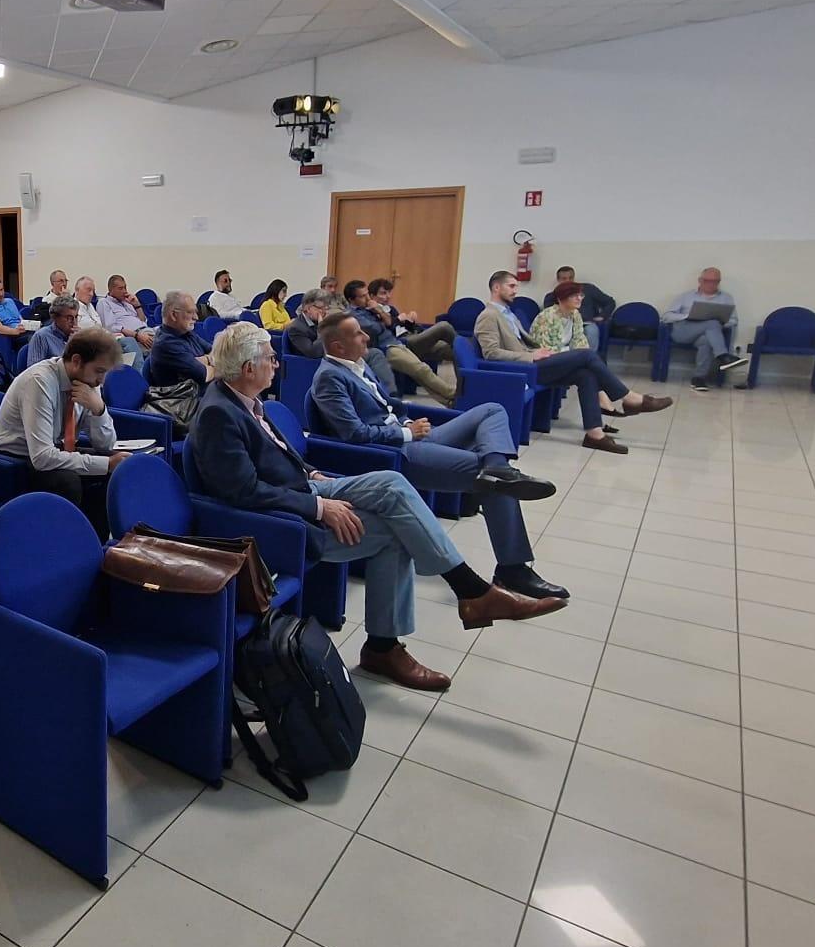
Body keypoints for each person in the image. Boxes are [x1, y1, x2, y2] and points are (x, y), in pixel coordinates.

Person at [189, 323, 564, 692]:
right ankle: (406, 633)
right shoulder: (219, 414)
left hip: (305, 488)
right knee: (394, 525)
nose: (277, 363)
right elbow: (242, 492)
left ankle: (452, 605)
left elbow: (277, 455)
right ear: (248, 368)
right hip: (277, 521)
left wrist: (313, 473)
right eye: (270, 358)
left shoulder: (250, 400)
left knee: (393, 487)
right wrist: (319, 507)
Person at [311, 313, 567, 601]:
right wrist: (407, 434)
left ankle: (496, 466)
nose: (366, 337)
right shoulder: (329, 378)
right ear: (338, 346)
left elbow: (387, 406)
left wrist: (407, 421)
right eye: (357, 334)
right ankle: (513, 568)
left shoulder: (358, 365)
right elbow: (354, 434)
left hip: (410, 435)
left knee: (492, 410)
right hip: (396, 453)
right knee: (497, 484)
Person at [474, 273, 670, 453]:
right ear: (496, 288)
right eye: (511, 286)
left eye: (516, 286)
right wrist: (531, 356)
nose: (516, 290)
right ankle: (629, 398)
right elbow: (491, 353)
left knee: (586, 375)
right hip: (521, 369)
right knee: (586, 356)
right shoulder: (488, 316)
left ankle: (595, 434)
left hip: (534, 362)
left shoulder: (508, 313)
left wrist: (536, 352)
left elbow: (522, 343)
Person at [0, 327, 123, 532]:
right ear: (77, 361)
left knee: (115, 470)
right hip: (13, 457)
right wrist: (106, 463)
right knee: (67, 481)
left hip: (54, 448)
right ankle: (64, 547)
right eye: (99, 371)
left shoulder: (88, 381)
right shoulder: (39, 381)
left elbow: (105, 445)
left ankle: (97, 545)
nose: (102, 381)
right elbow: (42, 457)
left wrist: (99, 409)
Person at [347, 279, 455, 404]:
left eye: (366, 294)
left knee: (441, 355)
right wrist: (381, 315)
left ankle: (452, 400)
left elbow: (389, 323)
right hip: (385, 348)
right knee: (421, 369)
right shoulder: (354, 314)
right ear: (351, 300)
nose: (367, 298)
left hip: (397, 342)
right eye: (362, 296)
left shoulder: (373, 308)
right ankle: (452, 394)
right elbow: (376, 328)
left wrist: (380, 312)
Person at [664, 268, 746, 393]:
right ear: (700, 280)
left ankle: (698, 378)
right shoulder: (686, 296)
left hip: (708, 334)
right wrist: (689, 316)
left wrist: (720, 323)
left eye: (715, 281)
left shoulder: (726, 298)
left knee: (707, 339)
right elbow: (667, 317)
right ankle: (723, 356)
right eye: (707, 281)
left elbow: (733, 320)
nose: (711, 284)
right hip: (684, 331)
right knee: (711, 323)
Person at [148, 292, 210, 388]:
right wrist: (213, 362)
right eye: (190, 312)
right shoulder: (165, 344)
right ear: (173, 315)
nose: (196, 317)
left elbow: (216, 352)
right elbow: (205, 375)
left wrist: (206, 359)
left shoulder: (186, 332)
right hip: (188, 399)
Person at [545, 266, 614, 349]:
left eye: (570, 278)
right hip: (563, 325)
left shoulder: (588, 289)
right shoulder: (552, 296)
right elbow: (549, 315)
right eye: (564, 278)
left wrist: (602, 316)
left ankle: (590, 358)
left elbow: (610, 302)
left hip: (586, 323)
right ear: (558, 280)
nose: (568, 281)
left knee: (592, 330)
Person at [95, 275, 155, 369]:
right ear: (111, 289)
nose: (125, 291)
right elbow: (110, 327)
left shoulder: (127, 302)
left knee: (170, 333)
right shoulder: (104, 303)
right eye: (120, 288)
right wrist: (137, 335)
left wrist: (137, 305)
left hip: (146, 331)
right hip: (132, 337)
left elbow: (143, 320)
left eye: (125, 287)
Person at [531, 281, 592, 355]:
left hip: (568, 355)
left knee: (589, 357)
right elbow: (544, 348)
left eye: (581, 295)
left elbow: (580, 340)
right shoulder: (547, 316)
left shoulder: (575, 314)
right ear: (560, 299)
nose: (579, 298)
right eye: (574, 295)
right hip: (548, 357)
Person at [27, 293, 77, 364]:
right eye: (69, 318)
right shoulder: (41, 336)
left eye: (76, 317)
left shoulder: (78, 337)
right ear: (55, 317)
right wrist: (70, 346)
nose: (74, 321)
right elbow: (34, 372)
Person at [284, 289, 330, 360]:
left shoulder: (319, 321)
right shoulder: (296, 328)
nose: (324, 312)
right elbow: (314, 353)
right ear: (308, 308)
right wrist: (322, 329)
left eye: (326, 308)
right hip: (308, 366)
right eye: (320, 308)